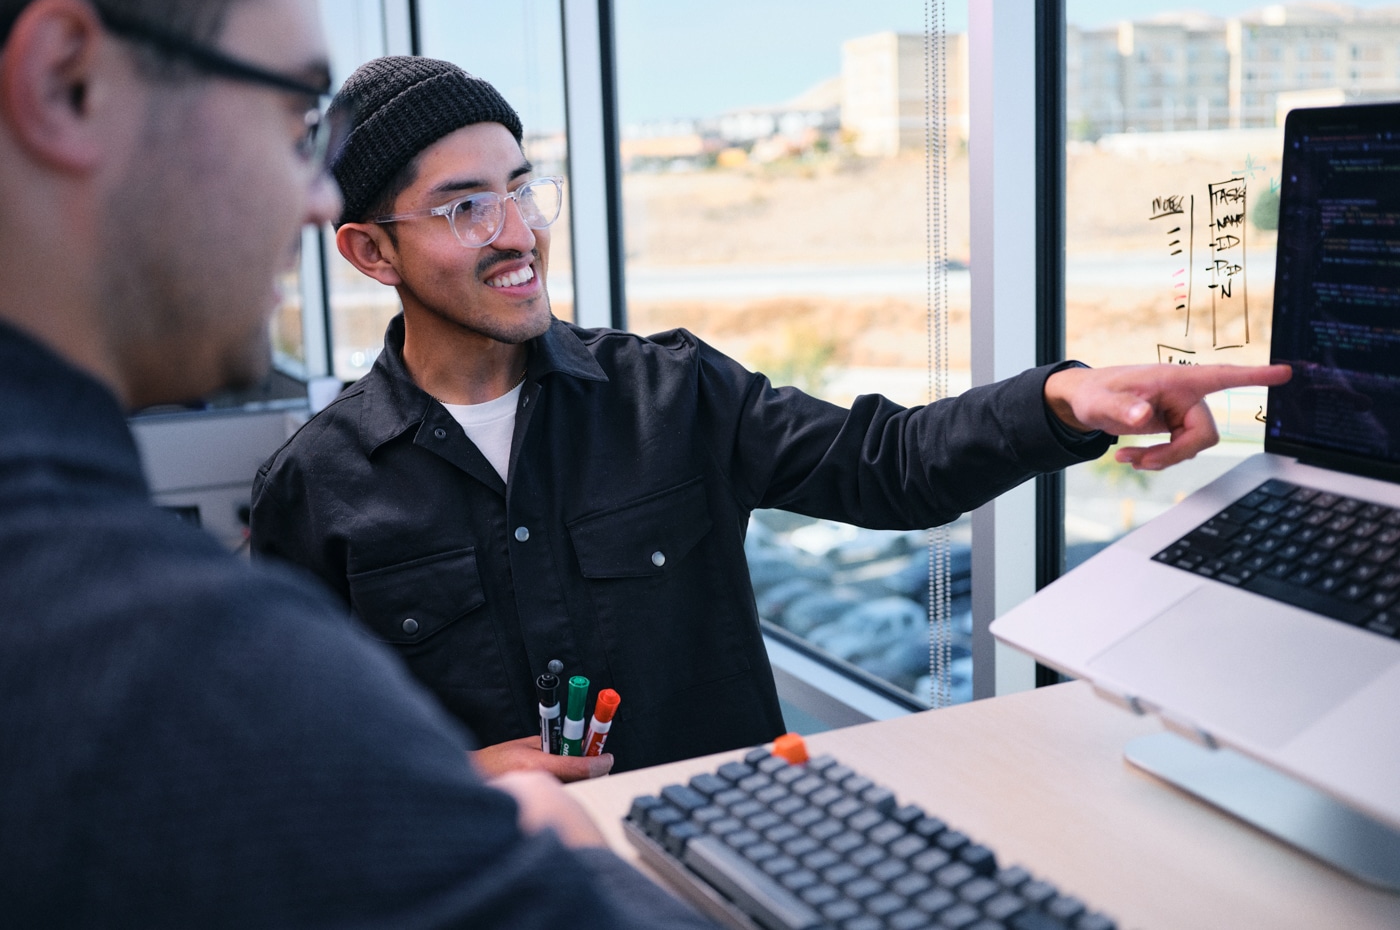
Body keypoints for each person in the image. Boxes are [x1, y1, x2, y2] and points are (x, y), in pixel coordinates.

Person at [249, 54, 1292, 779]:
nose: (519, 232)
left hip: (728, 854)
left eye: (525, 188)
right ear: (369, 253)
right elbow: (283, 748)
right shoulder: (313, 487)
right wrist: (454, 775)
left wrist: (1062, 399)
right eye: (464, 206)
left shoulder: (672, 394)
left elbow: (888, 466)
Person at [0, 0, 719, 925]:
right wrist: (558, 855)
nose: (316, 194)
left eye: (520, 190)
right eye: (290, 117)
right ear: (68, 85)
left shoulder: (669, 385)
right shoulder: (159, 656)